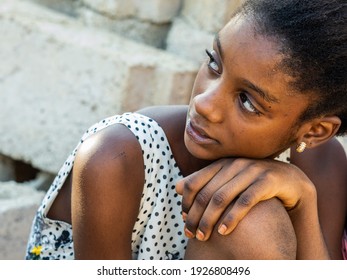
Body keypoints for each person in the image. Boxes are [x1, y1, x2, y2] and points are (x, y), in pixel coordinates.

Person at [25, 0, 347, 260]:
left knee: (253, 213)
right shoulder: (116, 155)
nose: (205, 103)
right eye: (214, 64)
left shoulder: (320, 161)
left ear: (315, 131)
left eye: (247, 101)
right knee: (253, 222)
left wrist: (303, 201)